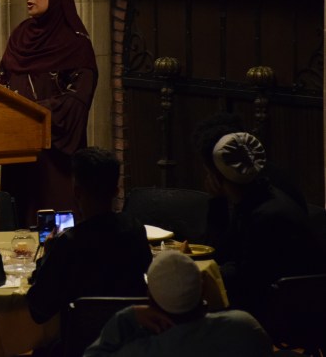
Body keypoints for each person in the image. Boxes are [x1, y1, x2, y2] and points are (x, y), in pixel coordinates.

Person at [0, 0, 98, 227]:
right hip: (20, 149)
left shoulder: (76, 44)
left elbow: (76, 100)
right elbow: (0, 77)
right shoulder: (20, 35)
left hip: (55, 155)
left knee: (56, 230)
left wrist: (32, 112)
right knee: (18, 228)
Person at [26, 147, 152, 353]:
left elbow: (38, 310)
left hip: (80, 349)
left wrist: (46, 257)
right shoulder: (135, 230)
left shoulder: (69, 243)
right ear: (116, 191)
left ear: (77, 192)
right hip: (130, 345)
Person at [194, 129, 326, 320]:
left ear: (215, 178)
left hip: (288, 310)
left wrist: (199, 276)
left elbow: (247, 278)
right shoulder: (257, 198)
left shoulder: (266, 215)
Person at [84, 250, 273, 356]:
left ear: (150, 297)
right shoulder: (245, 328)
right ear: (203, 289)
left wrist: (128, 316)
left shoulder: (138, 350)